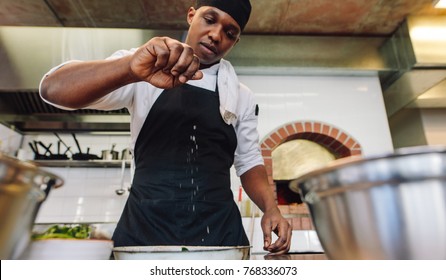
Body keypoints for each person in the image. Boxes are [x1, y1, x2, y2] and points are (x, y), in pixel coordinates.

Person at [39, 0, 291, 255]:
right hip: (144, 230)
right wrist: (129, 68)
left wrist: (271, 208)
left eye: (229, 33)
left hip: (219, 236)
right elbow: (52, 89)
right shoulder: (144, 66)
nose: (216, 35)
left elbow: (248, 160)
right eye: (210, 20)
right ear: (191, 15)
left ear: (235, 42)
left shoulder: (240, 95)